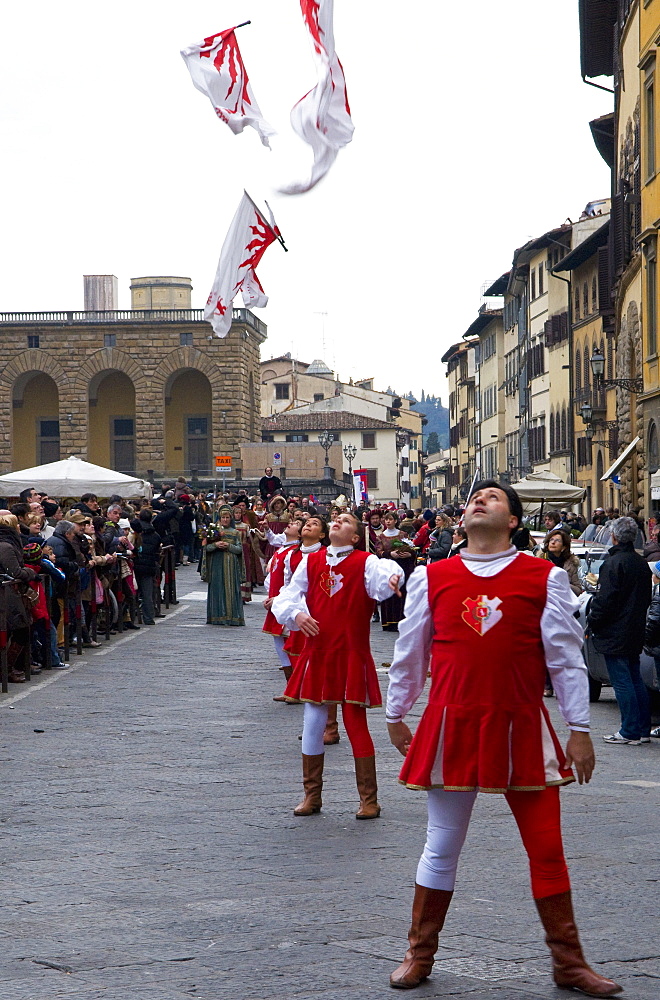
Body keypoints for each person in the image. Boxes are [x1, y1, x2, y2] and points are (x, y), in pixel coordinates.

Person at [385, 480, 621, 997]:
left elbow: (564, 659)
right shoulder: (432, 576)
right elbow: (412, 652)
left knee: (547, 849)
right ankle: (418, 952)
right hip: (452, 724)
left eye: (492, 497)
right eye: (474, 497)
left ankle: (569, 962)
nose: (478, 501)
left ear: (513, 519)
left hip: (522, 725)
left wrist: (580, 731)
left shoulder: (544, 577)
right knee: (441, 845)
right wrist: (395, 712)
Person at [272, 511, 404, 820]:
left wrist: (393, 578)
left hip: (350, 653)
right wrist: (296, 614)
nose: (337, 520)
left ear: (356, 537)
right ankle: (311, 795)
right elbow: (288, 595)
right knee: (313, 724)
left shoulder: (366, 562)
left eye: (345, 520)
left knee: (356, 725)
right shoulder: (313, 561)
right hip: (318, 653)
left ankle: (369, 799)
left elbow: (387, 574)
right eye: (336, 518)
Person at [587, 516, 652, 745]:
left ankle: (629, 730)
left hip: (616, 630)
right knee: (634, 679)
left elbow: (605, 600)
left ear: (614, 537)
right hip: (634, 628)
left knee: (623, 681)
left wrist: (593, 620)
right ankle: (641, 728)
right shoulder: (639, 562)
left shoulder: (614, 563)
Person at [263, 518, 304, 699]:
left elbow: (292, 583)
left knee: (291, 644)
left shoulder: (295, 553)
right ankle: (291, 688)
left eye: (296, 524)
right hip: (276, 603)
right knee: (279, 642)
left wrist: (279, 599)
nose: (291, 523)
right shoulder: (282, 550)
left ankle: (298, 689)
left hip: (286, 604)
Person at [0, 513, 37, 682]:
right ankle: (5, 669)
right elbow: (15, 572)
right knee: (19, 630)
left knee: (16, 630)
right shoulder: (5, 546)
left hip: (9, 593)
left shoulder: (7, 544)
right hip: (8, 595)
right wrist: (30, 572)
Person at [202, 506, 244, 627]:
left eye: (227, 517)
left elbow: (239, 549)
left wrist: (229, 546)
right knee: (217, 587)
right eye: (223, 517)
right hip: (217, 563)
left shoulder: (235, 532)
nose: (225, 520)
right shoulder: (212, 529)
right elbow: (206, 548)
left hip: (231, 565)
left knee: (231, 588)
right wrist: (215, 544)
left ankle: (232, 616)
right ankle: (217, 616)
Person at [379, 512, 416, 632]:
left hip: (402, 567)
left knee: (402, 593)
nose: (388, 522)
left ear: (395, 521)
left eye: (390, 519)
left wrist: (409, 554)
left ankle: (402, 619)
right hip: (388, 568)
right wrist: (390, 554)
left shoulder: (403, 534)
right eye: (386, 520)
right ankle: (389, 622)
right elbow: (378, 552)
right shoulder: (381, 537)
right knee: (390, 592)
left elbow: (412, 548)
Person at [130, 511, 162, 625]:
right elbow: (157, 550)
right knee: (147, 594)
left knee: (132, 592)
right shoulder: (156, 535)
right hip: (148, 567)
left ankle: (130, 617)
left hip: (135, 565)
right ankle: (148, 618)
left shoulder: (136, 533)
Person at [539, 530, 582, 597]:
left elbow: (578, 590)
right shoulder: (540, 561)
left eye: (557, 540)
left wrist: (564, 584)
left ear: (563, 547)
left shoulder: (571, 564)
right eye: (551, 540)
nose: (553, 542)